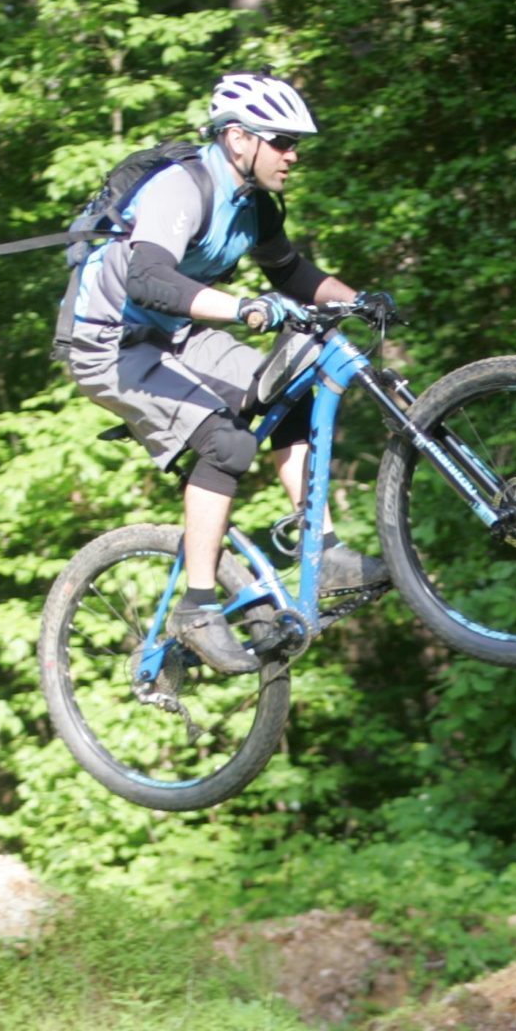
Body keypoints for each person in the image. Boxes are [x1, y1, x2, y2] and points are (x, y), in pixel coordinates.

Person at [64, 72, 387, 674]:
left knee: (291, 391)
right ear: (239, 139)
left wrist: (360, 298)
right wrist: (242, 308)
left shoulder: (255, 205)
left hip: (176, 336)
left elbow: (293, 275)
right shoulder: (180, 189)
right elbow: (147, 279)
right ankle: (197, 607)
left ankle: (322, 548)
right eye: (283, 141)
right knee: (227, 440)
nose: (293, 156)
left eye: (298, 145)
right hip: (108, 344)